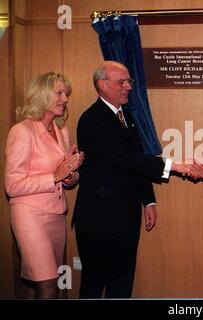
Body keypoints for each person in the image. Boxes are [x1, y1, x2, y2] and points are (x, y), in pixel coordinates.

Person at [73, 61, 203, 298]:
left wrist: (149, 201)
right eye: (121, 82)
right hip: (98, 223)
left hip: (126, 218)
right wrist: (174, 166)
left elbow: (139, 158)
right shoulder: (91, 120)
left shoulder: (127, 117)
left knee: (122, 285)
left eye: (129, 81)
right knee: (93, 287)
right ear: (102, 85)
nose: (128, 87)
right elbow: (124, 159)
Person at [5, 72, 84, 298]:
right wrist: (55, 176)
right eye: (58, 93)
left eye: (65, 94)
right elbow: (12, 185)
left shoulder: (62, 131)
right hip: (30, 216)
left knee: (55, 287)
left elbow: (68, 178)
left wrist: (70, 174)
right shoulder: (21, 131)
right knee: (47, 287)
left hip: (56, 215)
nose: (65, 99)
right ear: (41, 94)